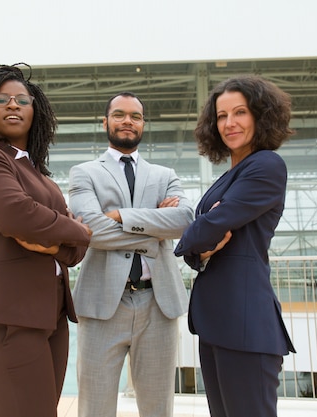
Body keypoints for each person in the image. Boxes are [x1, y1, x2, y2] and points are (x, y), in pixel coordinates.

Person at [0, 63, 92, 417]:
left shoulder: (40, 176)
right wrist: (79, 231)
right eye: (1, 98)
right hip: (8, 314)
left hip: (53, 315)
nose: (13, 105)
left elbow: (75, 253)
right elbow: (15, 214)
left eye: (22, 99)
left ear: (37, 111)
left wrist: (59, 241)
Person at [174, 75, 297, 417]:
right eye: (222, 116)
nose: (229, 123)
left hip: (245, 325)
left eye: (240, 112)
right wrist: (199, 245)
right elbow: (206, 235)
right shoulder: (232, 173)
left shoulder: (266, 165)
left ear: (261, 115)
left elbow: (210, 226)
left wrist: (193, 239)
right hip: (219, 323)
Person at [68, 91, 194, 417]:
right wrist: (155, 228)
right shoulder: (84, 173)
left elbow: (184, 220)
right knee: (94, 408)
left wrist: (121, 216)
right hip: (102, 306)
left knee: (158, 408)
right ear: (106, 121)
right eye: (120, 114)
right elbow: (91, 231)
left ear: (143, 124)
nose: (128, 121)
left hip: (159, 304)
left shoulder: (165, 175)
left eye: (135, 116)